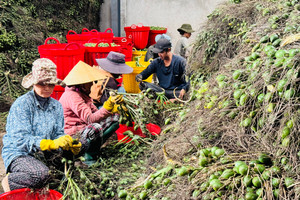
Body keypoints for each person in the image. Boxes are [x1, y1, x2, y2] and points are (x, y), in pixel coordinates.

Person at [1, 58, 81, 192]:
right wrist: (48, 144)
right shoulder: (23, 104)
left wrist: (67, 142)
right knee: (41, 175)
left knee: (72, 162)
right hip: (20, 153)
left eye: (50, 84)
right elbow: (20, 139)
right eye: (42, 84)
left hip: (43, 153)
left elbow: (58, 133)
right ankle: (9, 181)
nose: (47, 88)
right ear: (34, 83)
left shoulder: (56, 106)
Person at [59, 60, 125, 164]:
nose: (92, 85)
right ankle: (88, 157)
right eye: (90, 83)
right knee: (95, 128)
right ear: (81, 84)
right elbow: (90, 119)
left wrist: (112, 109)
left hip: (83, 128)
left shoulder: (82, 94)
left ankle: (94, 148)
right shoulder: (72, 97)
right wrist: (107, 107)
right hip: (73, 134)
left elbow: (95, 111)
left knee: (115, 119)